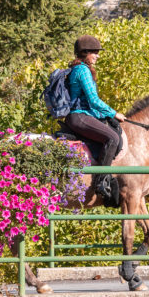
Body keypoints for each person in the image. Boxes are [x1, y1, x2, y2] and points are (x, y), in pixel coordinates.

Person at [64, 34, 126, 205]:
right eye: (95, 52)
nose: (97, 56)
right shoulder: (82, 70)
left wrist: (105, 116)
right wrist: (114, 113)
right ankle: (101, 182)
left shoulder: (81, 69)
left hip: (84, 115)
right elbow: (93, 100)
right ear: (85, 53)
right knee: (113, 138)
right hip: (79, 116)